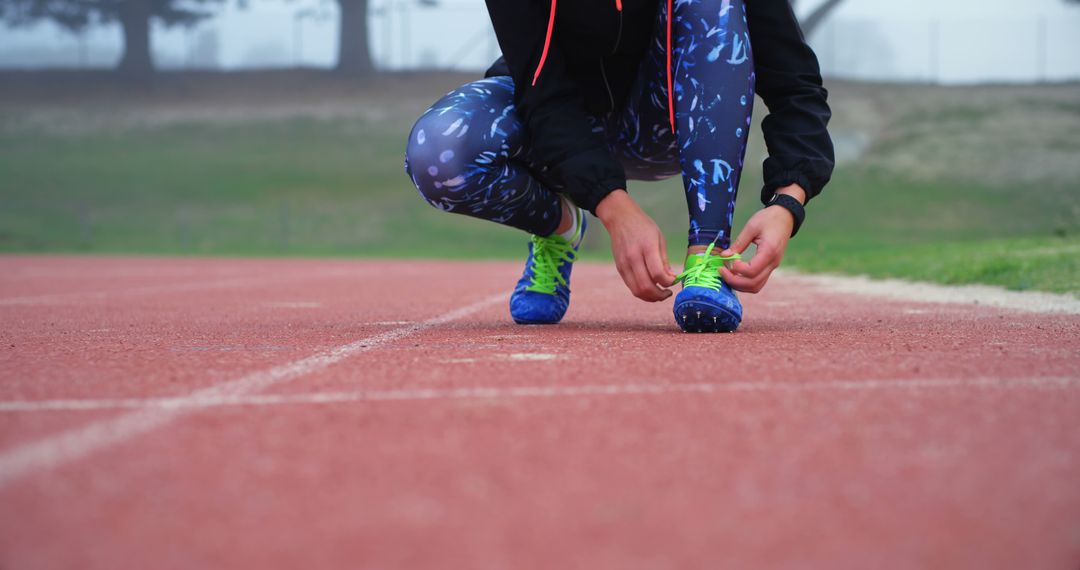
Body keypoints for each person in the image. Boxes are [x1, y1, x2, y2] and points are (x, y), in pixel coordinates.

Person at [404, 0, 834, 333]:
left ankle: (708, 256)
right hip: (557, 124)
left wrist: (788, 200)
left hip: (665, 122)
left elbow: (794, 83)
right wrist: (612, 206)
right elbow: (544, 95)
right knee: (438, 151)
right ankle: (560, 226)